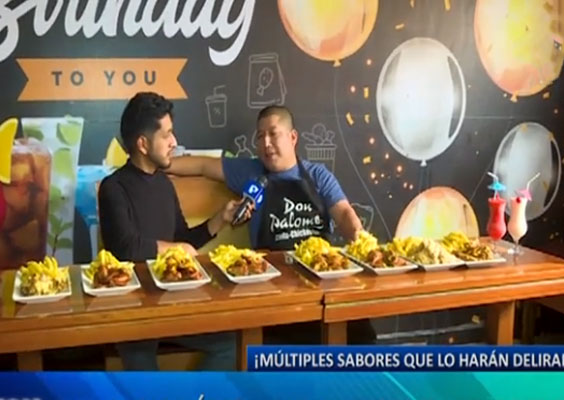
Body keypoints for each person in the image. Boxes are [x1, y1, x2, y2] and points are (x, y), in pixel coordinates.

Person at [167, 105, 375, 344]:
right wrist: (157, 162)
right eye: (260, 136)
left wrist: (358, 236)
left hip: (321, 277)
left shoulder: (318, 175)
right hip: (270, 284)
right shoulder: (250, 171)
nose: (266, 143)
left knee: (361, 333)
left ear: (293, 138)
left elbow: (344, 213)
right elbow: (203, 165)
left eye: (273, 134)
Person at [98, 92, 251, 370]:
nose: (174, 142)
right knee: (145, 372)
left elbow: (183, 239)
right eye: (166, 134)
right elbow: (125, 247)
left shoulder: (164, 184)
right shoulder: (113, 188)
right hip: (133, 310)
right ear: (143, 144)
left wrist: (221, 218)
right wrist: (177, 248)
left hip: (173, 302)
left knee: (229, 345)